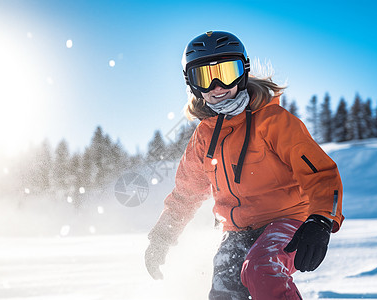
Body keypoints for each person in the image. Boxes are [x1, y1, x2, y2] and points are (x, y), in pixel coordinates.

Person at [145, 30, 344, 300]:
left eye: (227, 72)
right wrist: (162, 237)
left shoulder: (272, 121)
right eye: (204, 77)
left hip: (289, 220)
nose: (217, 85)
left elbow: (320, 173)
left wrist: (321, 220)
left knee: (261, 268)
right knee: (223, 290)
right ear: (192, 84)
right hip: (237, 230)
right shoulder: (203, 137)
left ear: (243, 72)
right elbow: (186, 193)